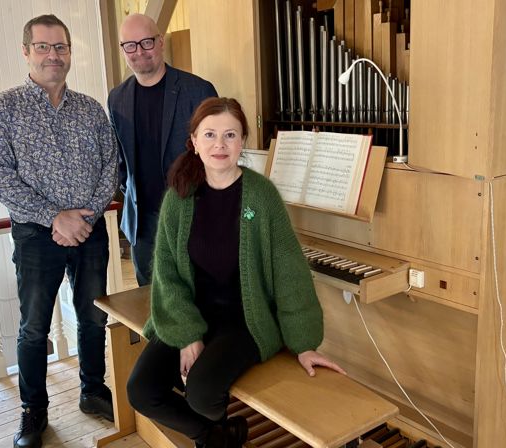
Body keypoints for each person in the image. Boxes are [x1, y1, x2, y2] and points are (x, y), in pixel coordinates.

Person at [126, 97, 346, 448]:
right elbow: (167, 274)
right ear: (194, 141)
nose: (220, 144)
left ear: (242, 140)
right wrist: (187, 335)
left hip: (245, 321)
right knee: (141, 390)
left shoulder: (261, 196)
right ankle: (215, 437)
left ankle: (214, 436)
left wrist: (304, 344)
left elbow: (289, 271)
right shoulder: (178, 198)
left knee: (201, 394)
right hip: (190, 314)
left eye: (230, 135)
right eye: (209, 134)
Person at [0, 14, 118, 448]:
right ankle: (33, 412)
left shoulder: (91, 110)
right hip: (36, 236)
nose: (53, 55)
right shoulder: (2, 109)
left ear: (70, 53)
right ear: (26, 52)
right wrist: (55, 217)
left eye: (60, 47)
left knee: (94, 316)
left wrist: (85, 218)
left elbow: (111, 166)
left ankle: (93, 391)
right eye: (43, 46)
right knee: (35, 327)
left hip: (90, 231)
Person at [108, 13, 217, 286]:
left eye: (146, 42)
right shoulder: (117, 98)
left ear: (160, 42)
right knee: (150, 300)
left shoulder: (198, 90)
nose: (139, 51)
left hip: (191, 218)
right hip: (142, 224)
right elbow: (121, 159)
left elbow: (218, 156)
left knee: (197, 297)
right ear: (123, 50)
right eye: (130, 45)